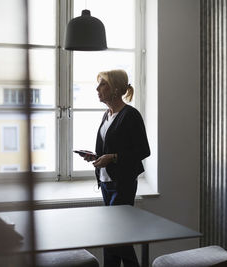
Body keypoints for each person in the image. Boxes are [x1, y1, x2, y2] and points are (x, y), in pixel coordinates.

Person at [85, 69, 150, 267]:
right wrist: (96, 157)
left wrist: (112, 158)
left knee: (116, 237)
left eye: (102, 84)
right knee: (113, 236)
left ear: (114, 89)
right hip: (106, 183)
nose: (98, 89)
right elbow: (112, 149)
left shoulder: (130, 115)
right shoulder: (107, 115)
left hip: (122, 184)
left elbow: (143, 151)